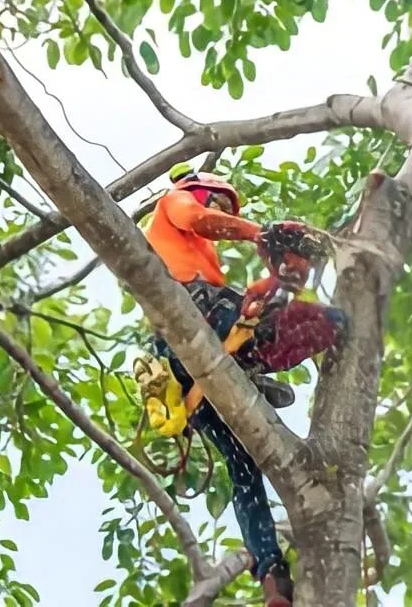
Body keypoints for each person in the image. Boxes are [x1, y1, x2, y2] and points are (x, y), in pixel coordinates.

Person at [134, 165, 348, 607]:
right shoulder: (174, 204)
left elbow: (248, 304)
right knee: (316, 321)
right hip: (196, 318)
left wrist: (280, 281)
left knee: (244, 467)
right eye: (217, 203)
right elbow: (196, 218)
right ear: (198, 190)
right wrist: (259, 234)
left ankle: (272, 576)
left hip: (210, 356)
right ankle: (258, 359)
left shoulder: (204, 261)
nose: (218, 216)